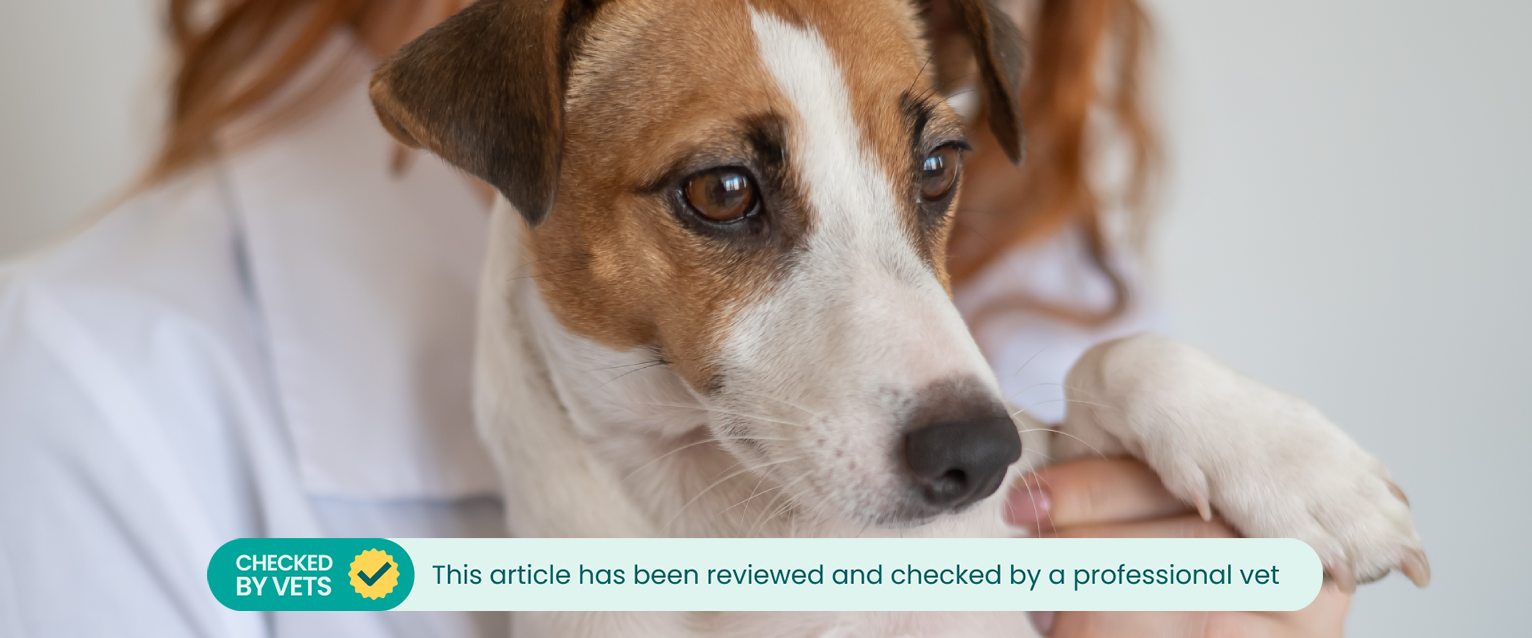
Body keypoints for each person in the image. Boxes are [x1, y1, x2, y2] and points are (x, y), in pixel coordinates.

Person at [0, 0, 1348, 636]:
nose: (963, 408)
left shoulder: (1052, 282)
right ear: (517, 154)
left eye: (931, 170)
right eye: (725, 195)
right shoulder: (75, 398)